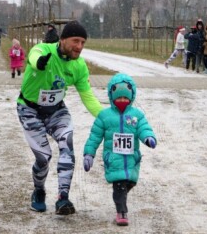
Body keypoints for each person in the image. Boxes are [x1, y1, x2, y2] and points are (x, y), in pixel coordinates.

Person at [16, 20, 103, 214]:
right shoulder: (43, 49)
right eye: (75, 41)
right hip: (29, 109)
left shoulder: (79, 66)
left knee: (67, 144)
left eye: (83, 42)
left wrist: (107, 116)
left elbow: (88, 97)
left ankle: (63, 198)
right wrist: (39, 63)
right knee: (43, 158)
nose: (79, 47)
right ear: (63, 39)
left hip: (56, 110)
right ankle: (39, 191)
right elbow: (34, 56)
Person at [83, 73, 157, 226]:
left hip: (131, 158)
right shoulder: (104, 116)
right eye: (119, 98)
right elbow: (95, 136)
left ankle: (121, 195)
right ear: (111, 96)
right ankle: (121, 212)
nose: (122, 101)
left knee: (129, 182)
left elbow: (144, 128)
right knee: (119, 185)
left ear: (131, 97)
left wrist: (148, 138)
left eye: (125, 98)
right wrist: (89, 154)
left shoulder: (136, 115)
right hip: (114, 158)